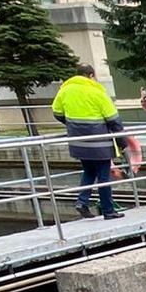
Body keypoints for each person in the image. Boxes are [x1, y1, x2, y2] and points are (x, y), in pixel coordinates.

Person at [52, 73, 122, 220]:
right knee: (104, 176)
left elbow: (57, 112)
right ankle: (108, 210)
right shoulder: (97, 91)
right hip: (100, 142)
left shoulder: (64, 91)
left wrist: (73, 126)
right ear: (91, 76)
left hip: (78, 141)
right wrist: (122, 143)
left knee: (89, 171)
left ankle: (82, 201)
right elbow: (113, 119)